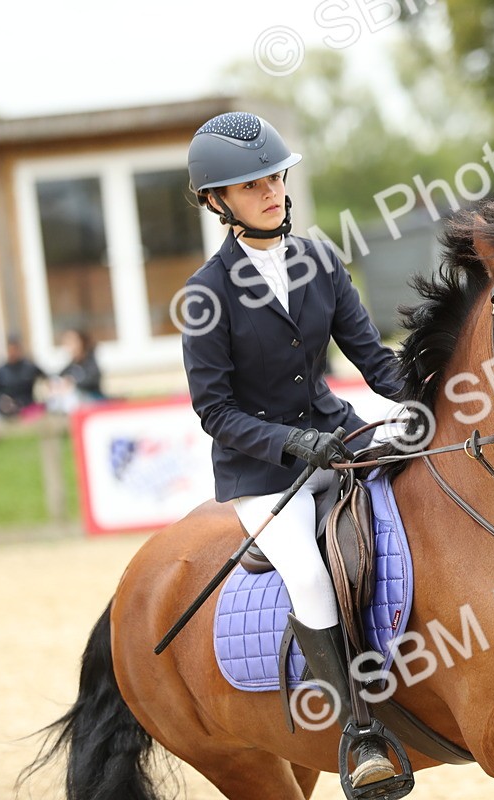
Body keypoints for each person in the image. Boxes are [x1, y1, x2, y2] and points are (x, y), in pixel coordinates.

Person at [182, 111, 404, 788]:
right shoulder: (205, 295)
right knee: (308, 576)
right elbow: (214, 411)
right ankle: (360, 733)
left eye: (276, 178)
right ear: (217, 201)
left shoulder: (320, 261)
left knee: (430, 486)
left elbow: (375, 361)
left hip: (339, 436)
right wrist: (290, 442)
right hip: (263, 474)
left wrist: (439, 390)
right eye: (253, 185)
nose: (272, 191)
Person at [46, 329, 105, 413]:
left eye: (71, 342)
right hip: (77, 400)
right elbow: (60, 375)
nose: (68, 346)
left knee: (69, 392)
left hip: (92, 397)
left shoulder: (90, 359)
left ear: (80, 342)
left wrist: (71, 382)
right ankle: (56, 412)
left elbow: (91, 379)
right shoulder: (72, 363)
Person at [0, 336, 45, 420]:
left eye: (15, 349)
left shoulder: (29, 368)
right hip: (7, 409)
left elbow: (45, 378)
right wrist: (2, 402)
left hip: (27, 406)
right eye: (10, 350)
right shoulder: (1, 372)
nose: (13, 353)